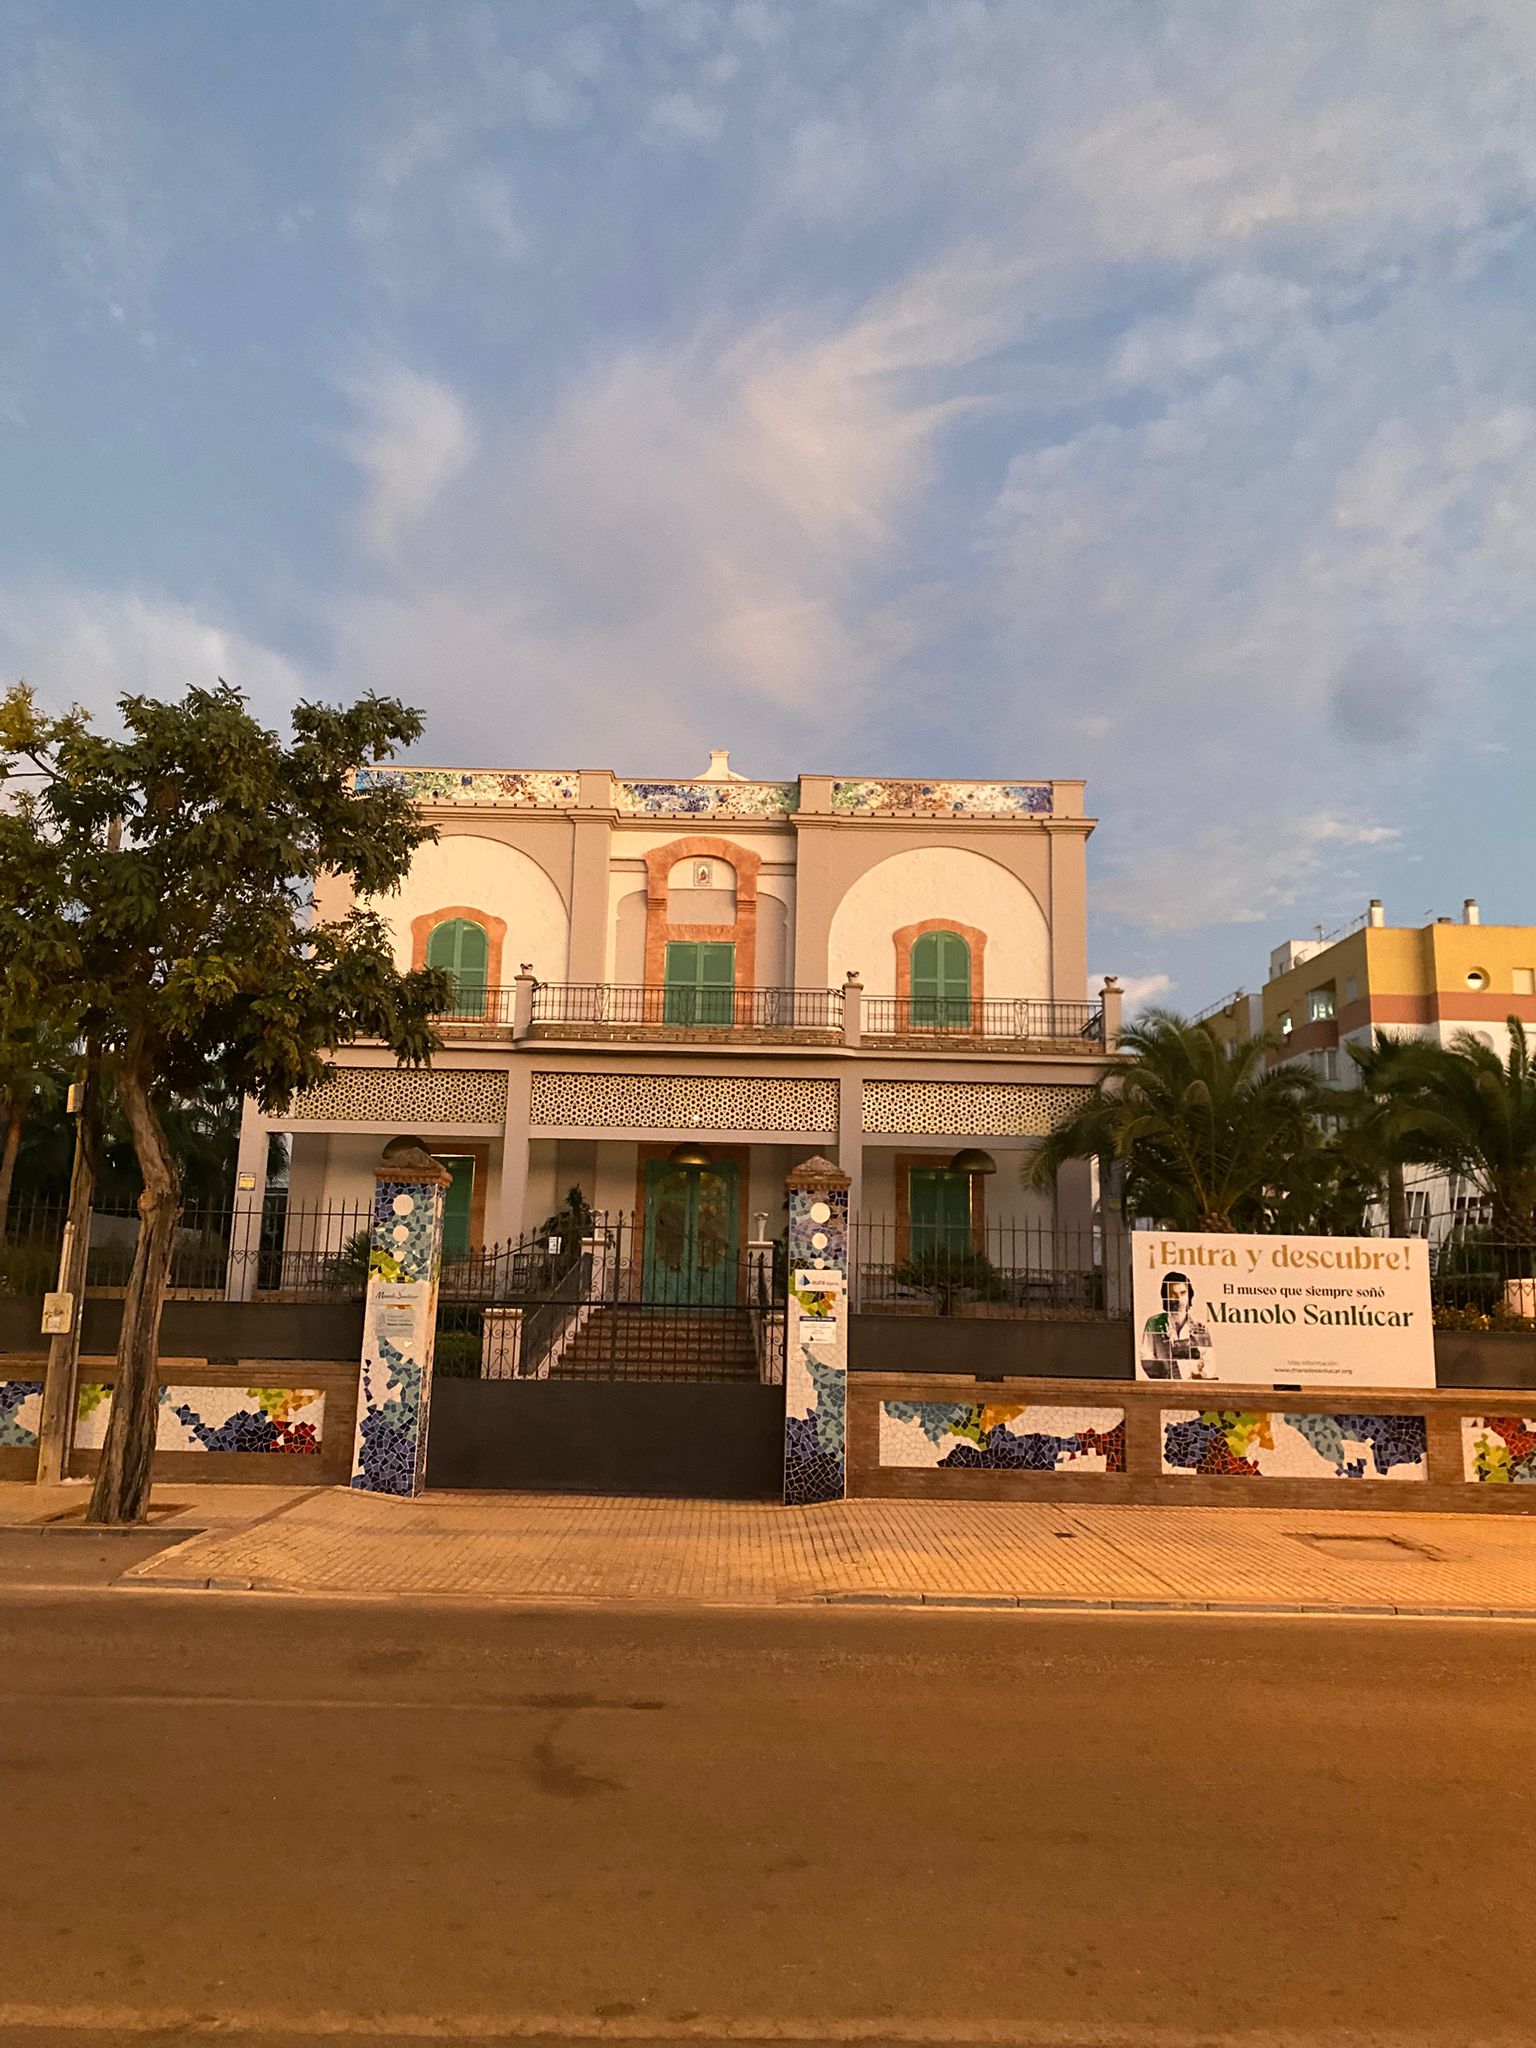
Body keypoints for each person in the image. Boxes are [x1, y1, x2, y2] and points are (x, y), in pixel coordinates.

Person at [1140, 1271, 1213, 1379]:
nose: (1178, 1299)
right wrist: (1163, 1374)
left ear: (1189, 1296)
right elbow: (1146, 1357)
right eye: (1173, 1294)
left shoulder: (1199, 1327)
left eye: (1183, 1293)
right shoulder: (1154, 1322)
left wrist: (1202, 1375)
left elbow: (1209, 1360)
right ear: (1166, 1296)